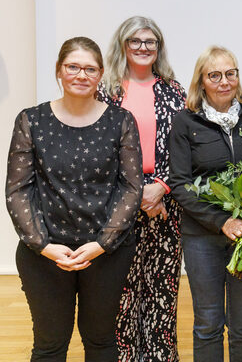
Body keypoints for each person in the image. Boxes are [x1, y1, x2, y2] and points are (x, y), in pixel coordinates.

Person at [5, 36, 143, 360]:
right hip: (45, 254)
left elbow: (131, 187)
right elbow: (17, 189)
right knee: (50, 346)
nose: (81, 75)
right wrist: (43, 245)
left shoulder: (121, 121)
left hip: (106, 253)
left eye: (90, 69)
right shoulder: (31, 120)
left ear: (100, 74)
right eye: (73, 67)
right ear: (59, 71)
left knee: (100, 342)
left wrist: (101, 244)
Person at [168, 46, 242, 362]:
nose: (224, 81)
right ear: (202, 81)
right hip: (202, 238)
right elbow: (179, 185)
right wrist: (222, 221)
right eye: (215, 75)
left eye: (230, 73)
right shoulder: (185, 122)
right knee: (208, 322)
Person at [97, 16, 186, 361]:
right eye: (135, 41)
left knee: (161, 288)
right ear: (122, 44)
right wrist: (137, 193)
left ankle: (161, 356)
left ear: (159, 48)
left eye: (150, 42)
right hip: (119, 202)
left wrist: (161, 187)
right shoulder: (106, 91)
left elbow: (183, 148)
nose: (143, 48)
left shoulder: (174, 90)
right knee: (123, 290)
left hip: (165, 202)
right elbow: (99, 149)